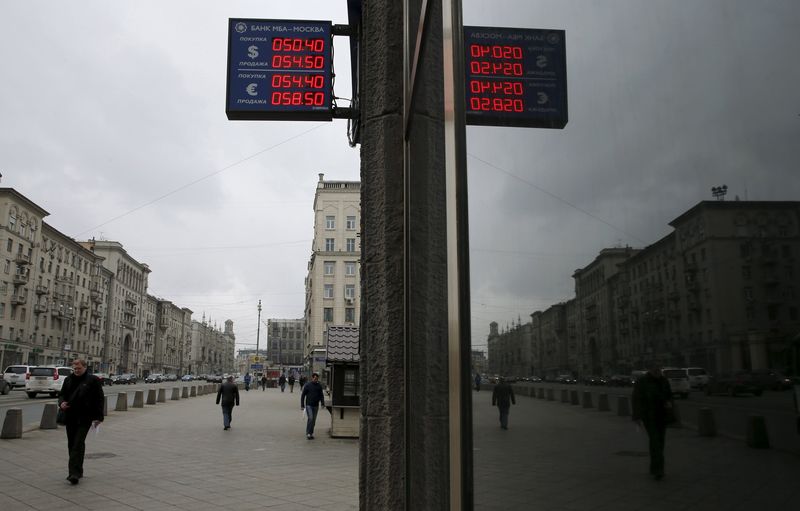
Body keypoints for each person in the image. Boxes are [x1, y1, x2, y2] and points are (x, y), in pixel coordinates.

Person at [58, 358, 104, 485]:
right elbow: (61, 395)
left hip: (85, 417)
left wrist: (99, 417)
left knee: (78, 443)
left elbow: (99, 399)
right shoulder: (68, 380)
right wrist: (61, 403)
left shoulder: (93, 380)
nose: (76, 371)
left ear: (85, 367)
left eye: (79, 368)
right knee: (72, 444)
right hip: (70, 416)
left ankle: (74, 474)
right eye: (75, 369)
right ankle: (79, 469)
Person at [632, 363, 674, 480]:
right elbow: (636, 398)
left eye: (658, 369)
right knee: (655, 441)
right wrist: (637, 416)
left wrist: (669, 403)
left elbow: (669, 396)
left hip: (662, 415)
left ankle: (654, 466)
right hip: (649, 416)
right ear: (649, 370)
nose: (657, 371)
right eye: (654, 369)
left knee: (660, 441)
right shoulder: (642, 381)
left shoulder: (664, 381)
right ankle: (658, 470)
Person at [300, 372, 325, 439]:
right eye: (314, 378)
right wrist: (302, 405)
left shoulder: (319, 386)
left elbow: (321, 395)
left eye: (317, 379)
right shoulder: (307, 385)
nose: (316, 380)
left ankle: (311, 433)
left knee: (313, 421)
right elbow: (303, 395)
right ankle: (308, 433)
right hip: (309, 405)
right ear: (312, 378)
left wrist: (322, 403)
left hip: (316, 405)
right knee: (310, 418)